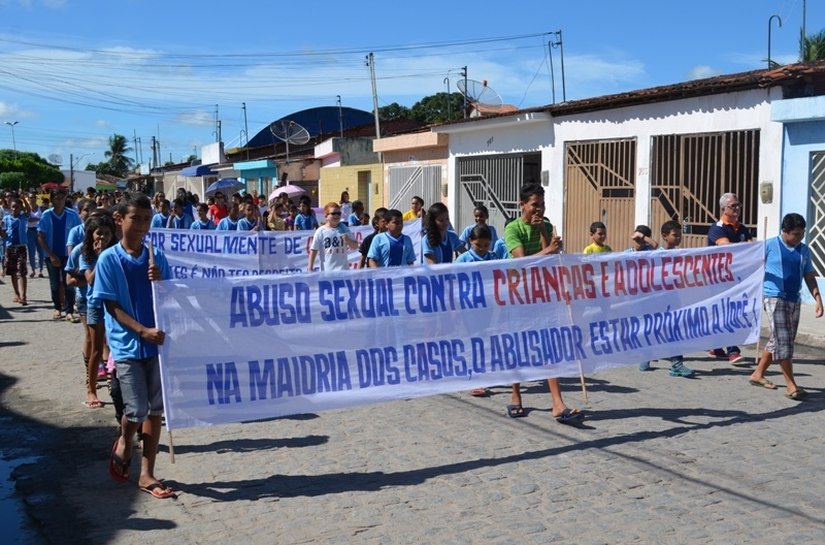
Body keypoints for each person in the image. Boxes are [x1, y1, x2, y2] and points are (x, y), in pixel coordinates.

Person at [93, 192, 175, 499]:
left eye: (146, 220)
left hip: (157, 345)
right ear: (119, 219)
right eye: (135, 219)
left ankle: (147, 473)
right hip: (127, 345)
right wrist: (141, 331)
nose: (142, 225)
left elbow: (172, 295)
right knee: (137, 409)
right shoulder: (108, 259)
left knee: (155, 410)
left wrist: (161, 280)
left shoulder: (157, 256)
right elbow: (111, 305)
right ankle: (126, 439)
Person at [504, 183, 583, 424]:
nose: (539, 209)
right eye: (534, 205)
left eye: (542, 204)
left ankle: (558, 403)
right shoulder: (512, 228)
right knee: (517, 346)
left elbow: (551, 258)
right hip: (517, 296)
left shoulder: (547, 225)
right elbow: (522, 261)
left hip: (542, 295)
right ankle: (516, 395)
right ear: (522, 205)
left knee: (549, 346)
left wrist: (544, 234)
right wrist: (549, 249)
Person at [749, 213, 823, 399]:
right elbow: (751, 267)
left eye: (802, 233)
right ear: (785, 231)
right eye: (796, 234)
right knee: (784, 340)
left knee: (779, 339)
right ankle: (791, 385)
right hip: (774, 297)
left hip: (794, 299)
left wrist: (818, 298)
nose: (800, 237)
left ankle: (758, 374)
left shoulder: (804, 250)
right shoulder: (769, 245)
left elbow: (808, 275)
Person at [638, 221, 695, 376]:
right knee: (653, 329)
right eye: (675, 235)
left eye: (680, 235)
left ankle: (677, 364)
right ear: (665, 236)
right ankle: (646, 355)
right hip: (656, 299)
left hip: (672, 298)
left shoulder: (679, 254)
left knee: (674, 329)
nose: (678, 238)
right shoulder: (657, 254)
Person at [708, 192, 751, 363]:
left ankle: (716, 346)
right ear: (723, 209)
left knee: (726, 313)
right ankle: (733, 350)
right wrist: (744, 247)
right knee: (728, 312)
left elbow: (751, 247)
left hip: (736, 277)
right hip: (718, 278)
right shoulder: (717, 228)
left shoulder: (743, 228)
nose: (737, 208)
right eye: (733, 205)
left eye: (738, 205)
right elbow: (726, 247)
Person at [80, 212, 117, 408]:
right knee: (96, 349)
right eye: (99, 233)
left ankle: (114, 386)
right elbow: (90, 280)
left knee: (114, 348)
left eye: (107, 233)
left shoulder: (117, 252)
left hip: (114, 304)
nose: (102, 237)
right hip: (95, 305)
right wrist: (101, 256)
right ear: (91, 235)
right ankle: (91, 389)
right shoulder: (86, 254)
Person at [38, 189, 82, 321]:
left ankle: (69, 310)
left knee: (69, 283)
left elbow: (79, 235)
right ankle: (57, 307)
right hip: (51, 255)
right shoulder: (46, 215)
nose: (59, 201)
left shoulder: (72, 215)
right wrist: (50, 254)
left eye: (62, 198)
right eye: (57, 198)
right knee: (55, 284)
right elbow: (40, 236)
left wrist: (76, 255)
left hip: (68, 256)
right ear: (52, 200)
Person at [308, 202, 359, 272]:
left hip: (343, 271)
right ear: (326, 216)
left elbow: (355, 246)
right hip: (327, 271)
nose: (336, 216)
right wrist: (310, 268)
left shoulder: (345, 229)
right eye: (333, 213)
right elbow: (313, 250)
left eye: (339, 213)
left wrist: (348, 240)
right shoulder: (320, 231)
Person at [1, 197, 30, 305]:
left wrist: (24, 199)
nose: (15, 209)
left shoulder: (23, 217)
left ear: (21, 208)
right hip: (10, 247)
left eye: (17, 207)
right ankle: (16, 293)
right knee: (13, 272)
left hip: (21, 247)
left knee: (21, 272)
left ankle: (24, 296)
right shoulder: (6, 219)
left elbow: (28, 210)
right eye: (13, 207)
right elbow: (3, 235)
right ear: (10, 207)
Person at [24, 193, 45, 278]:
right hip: (30, 231)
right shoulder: (26, 209)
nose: (32, 199)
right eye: (30, 197)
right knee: (31, 252)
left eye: (33, 197)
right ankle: (33, 270)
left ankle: (41, 270)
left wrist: (35, 219)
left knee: (41, 251)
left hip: (39, 231)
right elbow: (28, 219)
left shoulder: (41, 208)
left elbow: (44, 219)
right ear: (28, 199)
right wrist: (38, 219)